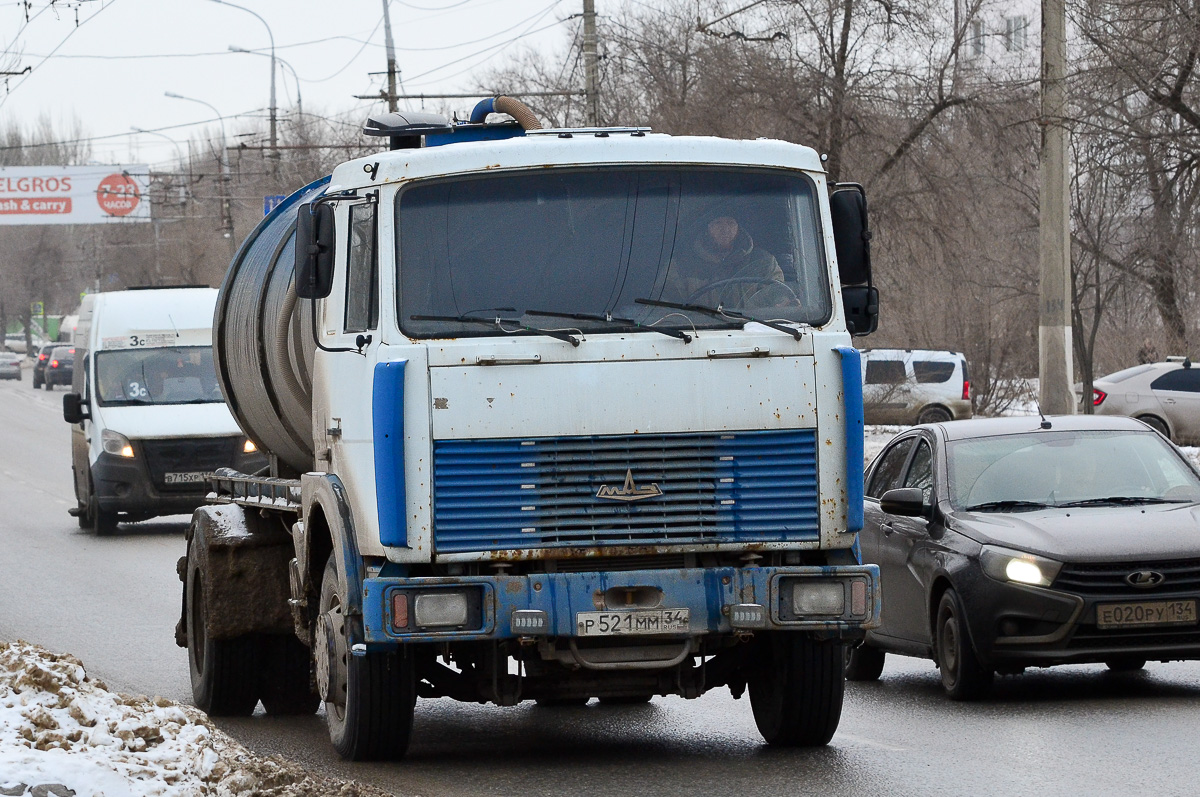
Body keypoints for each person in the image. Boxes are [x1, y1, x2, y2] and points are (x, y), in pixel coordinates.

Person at [666, 214, 789, 309]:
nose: (725, 229)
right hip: (695, 336)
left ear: (738, 227)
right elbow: (664, 310)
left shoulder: (763, 262)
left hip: (753, 336)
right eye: (718, 223)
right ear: (706, 227)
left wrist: (785, 303)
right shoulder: (681, 265)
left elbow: (778, 294)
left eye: (730, 223)